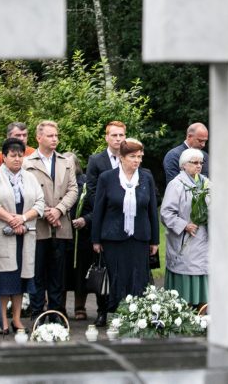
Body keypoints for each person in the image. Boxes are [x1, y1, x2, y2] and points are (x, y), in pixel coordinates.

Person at [91, 138, 160, 318]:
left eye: (139, 156)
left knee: (138, 277)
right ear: (121, 157)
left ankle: (136, 315)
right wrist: (96, 239)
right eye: (132, 156)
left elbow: (152, 209)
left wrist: (155, 240)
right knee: (115, 277)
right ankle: (110, 313)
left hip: (139, 237)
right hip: (113, 237)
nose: (137, 160)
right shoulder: (107, 178)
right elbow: (98, 209)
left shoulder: (147, 177)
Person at [24, 121, 78, 319]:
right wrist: (45, 211)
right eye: (50, 136)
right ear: (39, 138)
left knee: (58, 276)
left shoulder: (66, 161)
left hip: (61, 226)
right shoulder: (27, 163)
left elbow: (73, 189)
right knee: (37, 274)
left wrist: (59, 210)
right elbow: (26, 193)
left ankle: (56, 315)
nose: (54, 139)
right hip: (38, 227)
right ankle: (37, 315)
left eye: (56, 135)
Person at [0, 137, 45, 334]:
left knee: (22, 279)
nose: (17, 159)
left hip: (25, 234)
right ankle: (2, 320)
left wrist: (22, 219)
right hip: (3, 235)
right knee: (5, 279)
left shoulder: (29, 177)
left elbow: (40, 203)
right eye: (12, 155)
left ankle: (16, 319)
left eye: (20, 155)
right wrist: (11, 220)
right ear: (3, 157)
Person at [81, 120, 127, 326]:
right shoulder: (96, 160)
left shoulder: (132, 156)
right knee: (104, 267)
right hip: (105, 220)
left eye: (121, 135)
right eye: (114, 135)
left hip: (128, 221)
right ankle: (102, 310)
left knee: (123, 268)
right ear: (107, 137)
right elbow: (90, 190)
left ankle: (124, 309)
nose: (118, 139)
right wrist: (107, 209)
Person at [160, 148, 209, 307]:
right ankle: (183, 310)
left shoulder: (207, 184)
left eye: (201, 162)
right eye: (194, 162)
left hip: (204, 239)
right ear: (183, 165)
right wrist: (184, 225)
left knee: (204, 270)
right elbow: (166, 213)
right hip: (186, 239)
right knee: (187, 268)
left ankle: (203, 309)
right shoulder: (176, 185)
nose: (199, 166)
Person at [65, 152, 94, 321]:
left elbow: (94, 207)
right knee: (61, 273)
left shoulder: (85, 183)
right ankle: (59, 307)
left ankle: (79, 307)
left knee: (80, 273)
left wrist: (85, 220)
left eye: (70, 164)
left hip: (81, 236)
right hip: (61, 235)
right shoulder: (58, 182)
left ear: (76, 165)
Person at [162, 123, 209, 193]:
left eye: (205, 141)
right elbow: (173, 186)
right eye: (200, 140)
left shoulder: (205, 156)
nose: (203, 144)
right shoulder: (173, 156)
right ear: (189, 136)